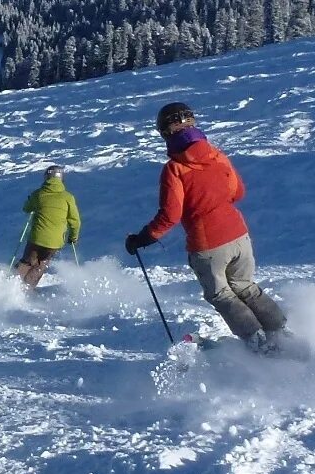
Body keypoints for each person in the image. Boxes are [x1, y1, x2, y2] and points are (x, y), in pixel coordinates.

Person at [124, 102, 289, 351]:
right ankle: (279, 332)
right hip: (239, 235)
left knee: (221, 294)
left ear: (166, 133)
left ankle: (257, 342)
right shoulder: (216, 154)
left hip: (208, 244)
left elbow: (171, 214)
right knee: (245, 285)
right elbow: (238, 192)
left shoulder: (175, 169)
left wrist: (143, 238)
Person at [17, 165, 80, 289]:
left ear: (46, 178)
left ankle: (13, 284)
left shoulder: (38, 194)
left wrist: (31, 201)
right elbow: (75, 221)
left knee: (28, 261)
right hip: (55, 242)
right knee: (41, 264)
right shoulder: (68, 197)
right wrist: (73, 237)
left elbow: (26, 209)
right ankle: (28, 288)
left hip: (37, 237)